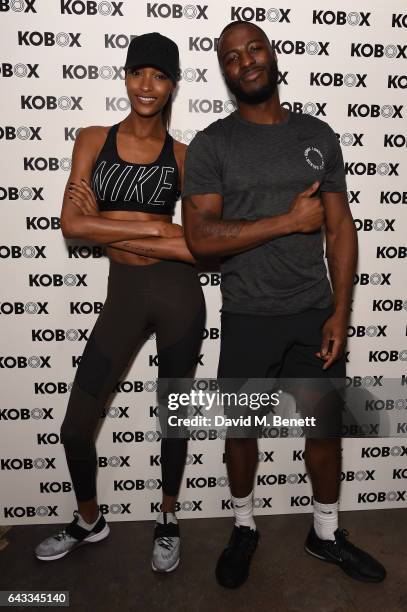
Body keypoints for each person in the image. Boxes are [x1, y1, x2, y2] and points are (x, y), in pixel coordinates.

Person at [182, 21, 386, 588]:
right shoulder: (212, 144)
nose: (245, 61)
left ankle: (324, 533)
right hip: (247, 315)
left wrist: (341, 311)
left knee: (324, 435)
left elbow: (340, 227)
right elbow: (200, 238)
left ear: (271, 55)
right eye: (230, 56)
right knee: (240, 434)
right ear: (223, 72)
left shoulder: (319, 134)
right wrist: (289, 222)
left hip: (313, 313)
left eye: (253, 48)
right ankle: (244, 526)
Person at [35, 32, 205, 573]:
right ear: (126, 77)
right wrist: (154, 227)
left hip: (178, 296)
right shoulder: (91, 139)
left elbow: (198, 246)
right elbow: (70, 224)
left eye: (159, 75)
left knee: (173, 416)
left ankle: (169, 519)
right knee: (74, 427)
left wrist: (102, 227)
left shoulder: (185, 156)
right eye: (138, 73)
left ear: (173, 84)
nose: (147, 86)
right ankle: (90, 521)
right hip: (123, 297)